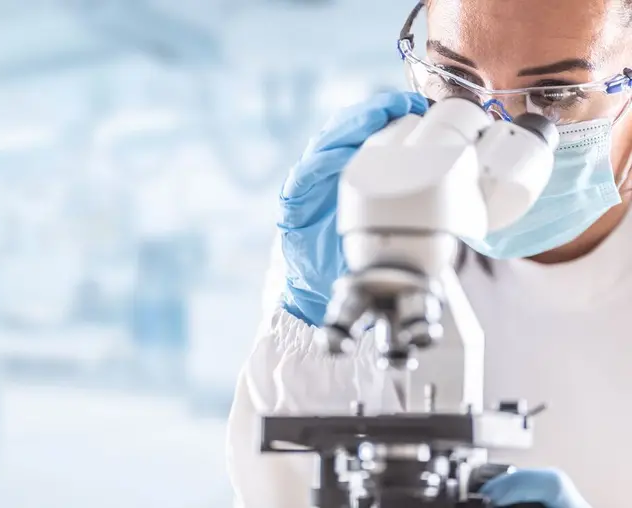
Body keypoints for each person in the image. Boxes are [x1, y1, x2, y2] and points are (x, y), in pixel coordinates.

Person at [226, 0, 632, 507]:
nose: (492, 129)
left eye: (554, 94)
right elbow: (278, 491)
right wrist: (308, 319)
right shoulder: (361, 232)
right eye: (456, 83)